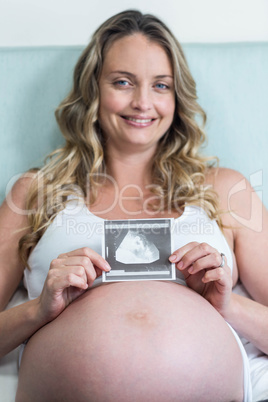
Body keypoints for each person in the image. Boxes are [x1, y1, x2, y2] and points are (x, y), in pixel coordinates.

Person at [0, 9, 267, 402]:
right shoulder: (33, 192)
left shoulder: (227, 190)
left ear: (177, 97)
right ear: (92, 89)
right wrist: (39, 309)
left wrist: (228, 305)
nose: (143, 102)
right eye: (123, 82)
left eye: (161, 85)